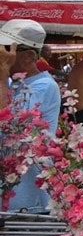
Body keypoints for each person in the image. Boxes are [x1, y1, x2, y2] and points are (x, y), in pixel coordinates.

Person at [0, 19, 61, 213]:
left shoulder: (44, 86)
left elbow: (8, 126)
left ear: (28, 56)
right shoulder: (12, 82)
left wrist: (2, 73)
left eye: (7, 49)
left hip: (27, 198)